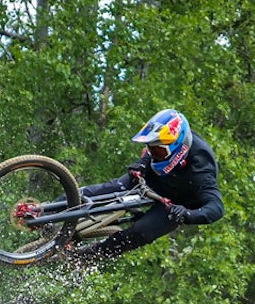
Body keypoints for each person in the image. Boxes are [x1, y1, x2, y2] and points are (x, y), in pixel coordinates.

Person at [74, 108, 224, 262]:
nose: (154, 154)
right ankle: (59, 208)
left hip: (176, 204)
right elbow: (151, 150)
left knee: (142, 232)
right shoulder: (167, 139)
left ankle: (83, 258)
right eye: (152, 150)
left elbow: (217, 207)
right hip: (154, 178)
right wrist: (142, 164)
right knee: (113, 188)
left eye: (158, 152)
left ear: (178, 148)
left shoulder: (201, 170)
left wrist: (187, 214)